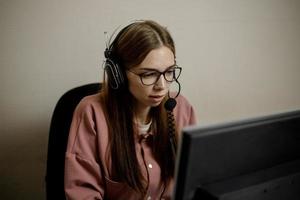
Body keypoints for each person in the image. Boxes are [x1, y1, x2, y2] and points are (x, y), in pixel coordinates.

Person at [64, 20, 197, 200]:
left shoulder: (181, 108)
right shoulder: (91, 113)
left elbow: (195, 183)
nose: (162, 86)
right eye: (148, 74)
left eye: (169, 72)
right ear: (118, 74)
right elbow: (83, 194)